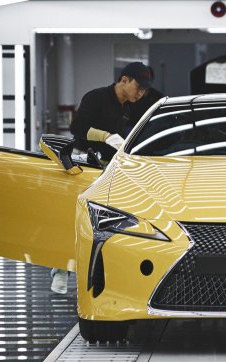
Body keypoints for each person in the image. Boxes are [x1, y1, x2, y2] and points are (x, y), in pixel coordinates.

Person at [50, 61, 163, 294]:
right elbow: (77, 128)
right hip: (82, 166)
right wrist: (105, 136)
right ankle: (61, 269)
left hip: (107, 170)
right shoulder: (96, 97)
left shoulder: (127, 108)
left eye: (144, 90)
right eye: (138, 87)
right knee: (74, 218)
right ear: (124, 80)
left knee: (104, 221)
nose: (140, 93)